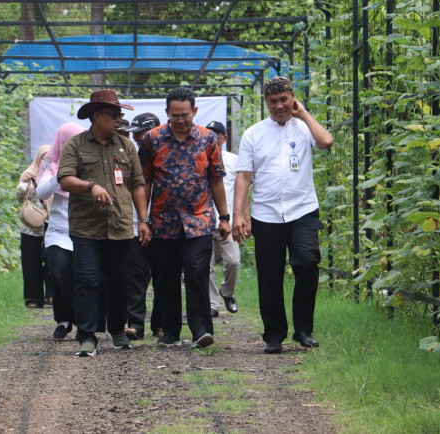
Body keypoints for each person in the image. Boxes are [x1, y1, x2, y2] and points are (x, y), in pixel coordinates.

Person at [232, 76, 334, 355]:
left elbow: (326, 141)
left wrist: (303, 113)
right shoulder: (254, 133)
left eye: (284, 99)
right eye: (273, 101)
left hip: (302, 210)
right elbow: (243, 177)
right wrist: (239, 214)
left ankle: (303, 329)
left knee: (306, 261)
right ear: (266, 102)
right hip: (266, 214)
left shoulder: (304, 127)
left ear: (293, 98)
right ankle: (274, 335)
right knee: (270, 275)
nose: (279, 106)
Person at [58, 89, 151, 357]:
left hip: (121, 227)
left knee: (120, 281)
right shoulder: (75, 145)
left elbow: (137, 183)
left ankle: (118, 331)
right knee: (87, 281)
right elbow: (65, 179)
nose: (119, 119)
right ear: (96, 116)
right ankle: (87, 336)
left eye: (120, 114)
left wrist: (143, 220)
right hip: (86, 229)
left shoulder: (126, 146)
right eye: (114, 114)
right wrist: (91, 186)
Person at [138, 87, 230, 349]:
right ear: (167, 113)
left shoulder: (208, 139)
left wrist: (224, 217)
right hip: (162, 221)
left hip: (199, 218)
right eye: (175, 115)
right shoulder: (152, 139)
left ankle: (201, 330)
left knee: (196, 270)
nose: (180, 120)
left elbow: (216, 178)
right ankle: (170, 332)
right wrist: (143, 219)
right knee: (165, 276)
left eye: (185, 115)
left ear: (195, 112)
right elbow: (144, 179)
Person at [37, 122, 87, 340]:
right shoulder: (51, 164)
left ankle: (85, 323)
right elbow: (41, 191)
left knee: (84, 279)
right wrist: (63, 175)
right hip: (58, 232)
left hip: (85, 231)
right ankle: (64, 320)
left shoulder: (89, 162)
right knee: (59, 274)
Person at [122, 113, 161, 340]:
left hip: (165, 226)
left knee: (164, 278)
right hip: (137, 226)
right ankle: (135, 324)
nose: (137, 137)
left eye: (141, 133)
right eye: (135, 134)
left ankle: (161, 324)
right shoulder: (130, 158)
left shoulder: (169, 154)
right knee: (136, 277)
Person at [205, 121, 241, 318]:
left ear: (224, 138)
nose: (212, 137)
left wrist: (241, 218)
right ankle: (212, 303)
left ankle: (227, 292)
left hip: (226, 221)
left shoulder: (234, 160)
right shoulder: (198, 157)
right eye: (208, 133)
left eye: (216, 134)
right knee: (206, 266)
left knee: (233, 261)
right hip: (203, 220)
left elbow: (242, 192)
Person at [16, 145, 51, 309]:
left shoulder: (57, 174)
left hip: (52, 224)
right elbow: (19, 198)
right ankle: (34, 298)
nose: (45, 161)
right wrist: (24, 185)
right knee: (31, 261)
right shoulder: (28, 176)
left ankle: (52, 294)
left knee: (54, 260)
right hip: (31, 226)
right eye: (42, 157)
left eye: (48, 157)